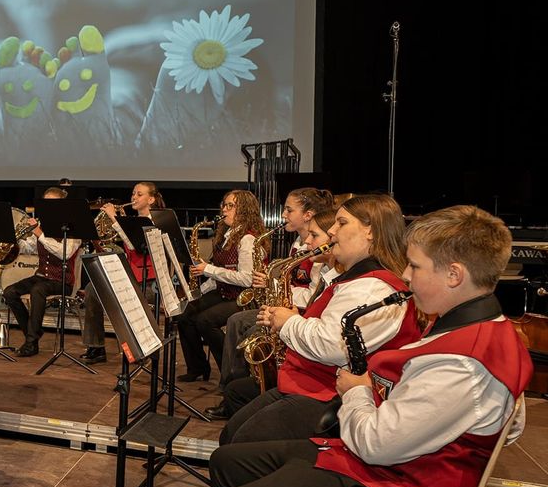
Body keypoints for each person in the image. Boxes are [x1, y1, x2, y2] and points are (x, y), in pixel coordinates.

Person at [202, 205, 530, 487]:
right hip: (389, 473)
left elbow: (375, 444)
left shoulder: (464, 363)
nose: (406, 277)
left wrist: (356, 390)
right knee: (229, 463)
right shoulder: (474, 330)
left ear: (454, 275)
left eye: (416, 267)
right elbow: (506, 423)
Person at [221, 194, 421, 445]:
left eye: (341, 223)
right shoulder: (359, 279)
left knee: (238, 445)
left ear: (370, 231)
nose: (333, 231)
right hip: (311, 384)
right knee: (231, 434)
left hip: (326, 394)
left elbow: (332, 346)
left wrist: (288, 322)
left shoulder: (373, 287)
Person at [206, 188, 334, 418]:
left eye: (289, 210)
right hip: (289, 306)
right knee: (236, 321)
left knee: (248, 331)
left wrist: (273, 285)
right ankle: (232, 389)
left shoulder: (319, 251)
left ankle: (248, 390)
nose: (283, 215)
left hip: (300, 313)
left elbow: (313, 295)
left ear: (308, 214)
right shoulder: (299, 242)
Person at [177, 190, 264, 381]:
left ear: (245, 210)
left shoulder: (247, 239)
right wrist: (196, 292)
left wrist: (207, 269)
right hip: (225, 292)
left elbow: (247, 279)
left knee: (205, 321)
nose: (224, 210)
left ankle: (233, 370)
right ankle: (198, 367)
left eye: (230, 206)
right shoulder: (227, 236)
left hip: (244, 297)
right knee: (185, 314)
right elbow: (220, 274)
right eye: (224, 205)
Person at [80, 181, 165, 364]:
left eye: (139, 194)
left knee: (128, 300)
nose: (134, 197)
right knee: (92, 290)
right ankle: (96, 346)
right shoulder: (131, 221)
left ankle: (141, 349)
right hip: (132, 276)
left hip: (150, 282)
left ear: (151, 199)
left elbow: (136, 246)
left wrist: (114, 218)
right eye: (133, 193)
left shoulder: (156, 222)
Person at [1, 187, 81, 357]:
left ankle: (31, 343)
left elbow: (65, 253)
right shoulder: (42, 225)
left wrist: (39, 233)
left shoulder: (73, 227)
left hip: (62, 281)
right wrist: (16, 240)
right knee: (9, 292)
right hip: (41, 277)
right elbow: (31, 248)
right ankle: (33, 333)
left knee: (38, 290)